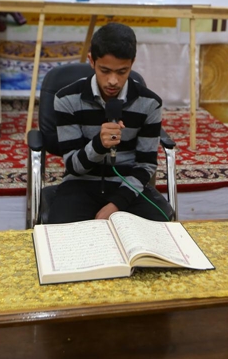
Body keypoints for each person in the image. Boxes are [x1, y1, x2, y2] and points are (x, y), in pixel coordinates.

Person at [48, 22, 168, 224]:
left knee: (160, 229)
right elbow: (73, 166)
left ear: (132, 63)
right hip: (80, 184)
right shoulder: (67, 99)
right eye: (105, 70)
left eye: (122, 71)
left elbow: (145, 165)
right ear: (91, 61)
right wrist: (98, 145)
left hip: (128, 187)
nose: (113, 81)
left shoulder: (149, 103)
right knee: (62, 233)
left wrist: (116, 204)